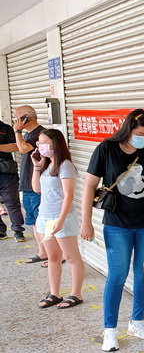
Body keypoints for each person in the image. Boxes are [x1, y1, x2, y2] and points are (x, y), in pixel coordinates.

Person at [80, 110, 144, 352]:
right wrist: (85, 221)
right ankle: (109, 330)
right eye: (140, 134)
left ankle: (137, 321)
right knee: (117, 275)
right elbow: (89, 186)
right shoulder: (106, 148)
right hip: (117, 223)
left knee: (143, 274)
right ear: (128, 129)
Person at [30, 129, 85, 309]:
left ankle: (76, 294)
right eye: (39, 143)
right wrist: (37, 166)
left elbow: (68, 196)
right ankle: (54, 293)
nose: (40, 146)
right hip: (45, 217)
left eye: (43, 142)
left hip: (62, 217)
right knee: (53, 257)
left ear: (55, 143)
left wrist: (61, 220)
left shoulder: (65, 165)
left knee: (71, 256)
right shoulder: (46, 164)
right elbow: (37, 188)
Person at [11, 106, 47, 260]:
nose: (15, 121)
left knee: (42, 222)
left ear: (25, 118)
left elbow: (24, 149)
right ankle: (42, 252)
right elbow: (19, 148)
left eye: (17, 118)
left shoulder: (40, 134)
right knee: (33, 221)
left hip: (37, 186)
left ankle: (53, 254)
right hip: (27, 184)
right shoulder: (29, 134)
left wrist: (17, 131)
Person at [0, 117, 26, 241]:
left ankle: (18, 230)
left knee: (11, 202)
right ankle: (1, 230)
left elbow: (16, 147)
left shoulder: (6, 128)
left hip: (6, 172)